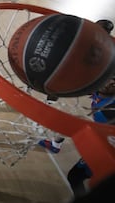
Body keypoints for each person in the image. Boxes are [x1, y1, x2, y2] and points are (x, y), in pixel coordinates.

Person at [37, 19, 114, 154]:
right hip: (95, 84)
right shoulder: (83, 35)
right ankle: (49, 105)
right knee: (59, 84)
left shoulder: (108, 50)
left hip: (97, 87)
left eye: (103, 31)